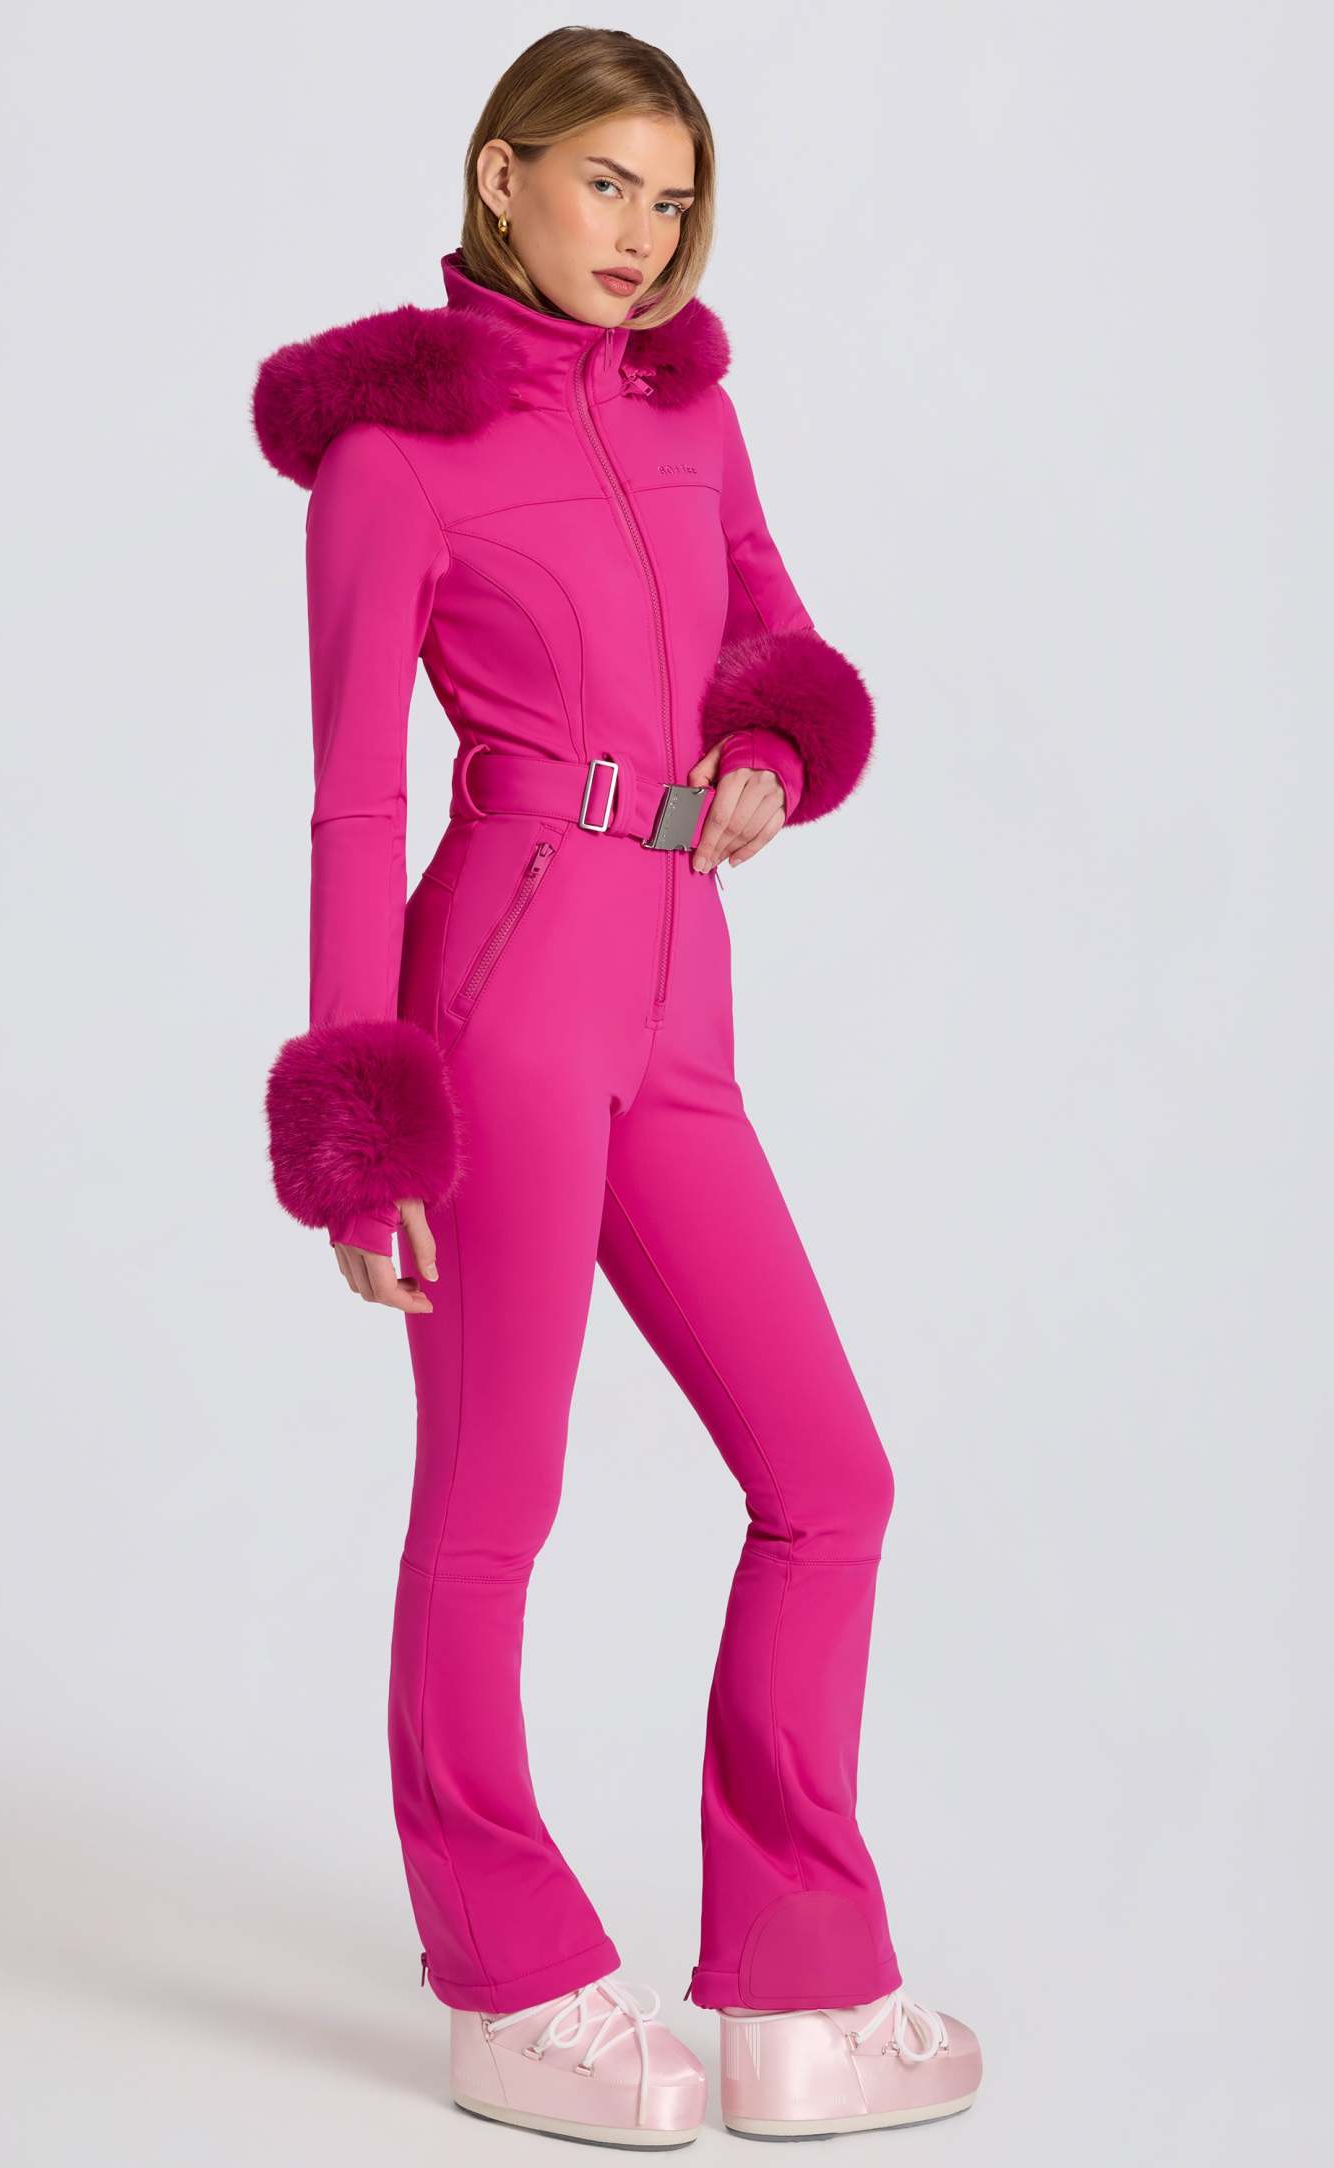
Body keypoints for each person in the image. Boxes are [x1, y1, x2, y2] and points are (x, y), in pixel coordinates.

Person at [250, 25, 982, 2148]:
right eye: (605, 186)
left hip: (678, 995)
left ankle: (799, 1986)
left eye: (672, 200)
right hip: (500, 985)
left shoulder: (690, 410)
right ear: (502, 176)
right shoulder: (391, 459)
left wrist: (761, 750)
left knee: (829, 1477)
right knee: (495, 1501)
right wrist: (361, 1126)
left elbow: (775, 638)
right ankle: (510, 1981)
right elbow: (349, 800)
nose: (642, 236)